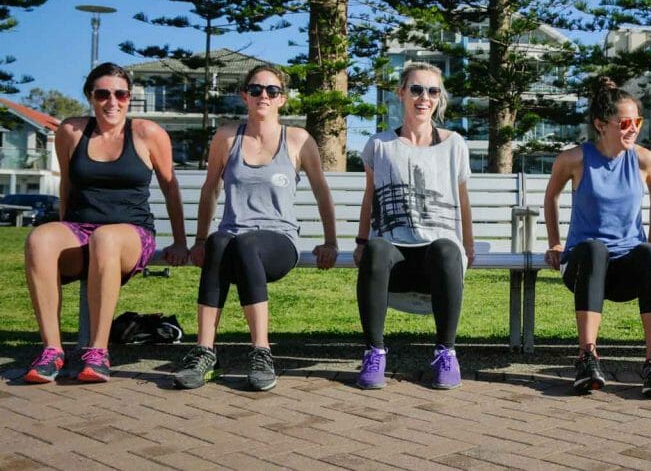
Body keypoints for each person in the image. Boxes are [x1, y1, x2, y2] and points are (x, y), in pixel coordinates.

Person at [171, 65, 338, 392]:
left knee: (243, 243)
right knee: (221, 242)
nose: (264, 95)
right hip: (230, 242)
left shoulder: (297, 140)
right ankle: (205, 352)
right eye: (257, 89)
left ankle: (261, 352)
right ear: (244, 95)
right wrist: (200, 240)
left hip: (278, 243)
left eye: (272, 91)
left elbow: (321, 190)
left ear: (282, 99)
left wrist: (331, 241)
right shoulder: (226, 137)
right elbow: (210, 190)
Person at [23, 62, 188, 384]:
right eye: (103, 94)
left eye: (120, 94)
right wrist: (61, 230)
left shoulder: (146, 133)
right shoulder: (71, 132)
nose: (112, 102)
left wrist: (180, 241)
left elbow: (170, 187)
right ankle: (52, 350)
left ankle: (97, 352)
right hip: (81, 229)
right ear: (90, 97)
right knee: (39, 239)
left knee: (106, 238)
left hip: (132, 233)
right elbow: (67, 185)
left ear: (129, 98)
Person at [543, 77, 651, 398]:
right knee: (595, 248)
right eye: (625, 122)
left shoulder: (646, 161)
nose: (633, 128)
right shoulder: (573, 160)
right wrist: (555, 242)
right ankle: (587, 356)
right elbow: (551, 198)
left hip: (626, 270)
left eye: (637, 121)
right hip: (584, 266)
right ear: (601, 125)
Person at [354, 62, 474, 390]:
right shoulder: (379, 145)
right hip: (395, 257)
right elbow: (370, 197)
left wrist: (469, 244)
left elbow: (463, 199)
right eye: (417, 89)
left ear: (439, 98)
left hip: (437, 257)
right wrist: (362, 240)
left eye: (432, 91)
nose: (424, 97)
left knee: (448, 248)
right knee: (377, 248)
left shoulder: (454, 144)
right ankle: (374, 352)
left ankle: (446, 353)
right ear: (401, 93)